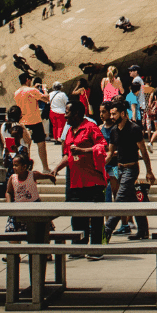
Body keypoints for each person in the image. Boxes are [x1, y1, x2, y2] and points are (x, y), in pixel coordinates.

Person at [54, 101, 107, 252]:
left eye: (67, 112)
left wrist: (84, 151)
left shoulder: (91, 127)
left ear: (76, 113)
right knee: (77, 218)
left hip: (93, 181)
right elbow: (67, 154)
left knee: (96, 218)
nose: (65, 116)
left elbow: (103, 147)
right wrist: (56, 168)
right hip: (76, 182)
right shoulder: (70, 131)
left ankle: (96, 250)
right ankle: (78, 248)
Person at [104, 101, 155, 241]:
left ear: (123, 113)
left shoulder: (134, 128)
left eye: (114, 114)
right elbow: (110, 153)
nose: (112, 116)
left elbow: (144, 151)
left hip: (131, 169)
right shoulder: (114, 130)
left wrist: (149, 171)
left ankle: (106, 231)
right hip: (119, 169)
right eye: (111, 114)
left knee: (119, 199)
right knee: (132, 199)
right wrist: (101, 165)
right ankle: (143, 231)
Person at [13, 73, 50, 174]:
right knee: (41, 144)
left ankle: (25, 169)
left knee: (25, 147)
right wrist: (44, 89)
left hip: (22, 122)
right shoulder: (32, 90)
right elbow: (46, 99)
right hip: (35, 121)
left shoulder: (17, 92)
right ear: (27, 80)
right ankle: (45, 168)